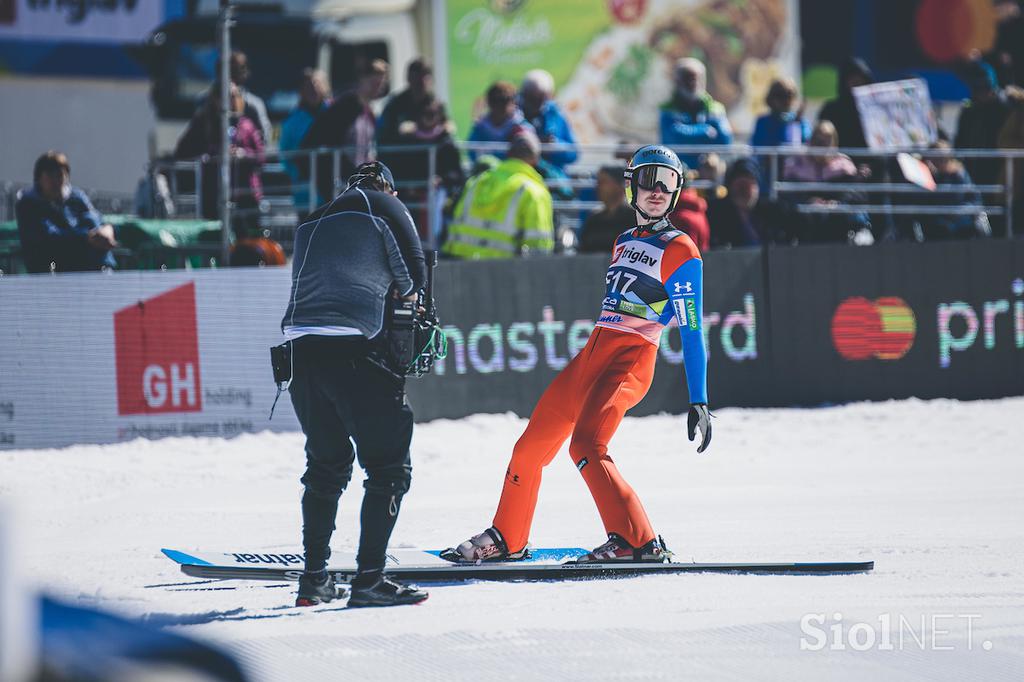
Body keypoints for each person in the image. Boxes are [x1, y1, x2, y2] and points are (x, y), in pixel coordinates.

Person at [444, 144, 712, 564]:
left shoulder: (682, 249)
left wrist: (699, 399)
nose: (657, 190)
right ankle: (508, 536)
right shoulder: (624, 241)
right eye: (647, 180)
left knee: (586, 445)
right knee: (529, 449)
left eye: (668, 182)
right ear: (631, 188)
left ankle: (638, 542)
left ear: (677, 192)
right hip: (593, 356)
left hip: (630, 362)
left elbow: (693, 330)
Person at [280, 161, 428, 608]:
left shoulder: (312, 222)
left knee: (326, 465)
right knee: (388, 469)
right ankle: (369, 580)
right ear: (387, 188)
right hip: (355, 352)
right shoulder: (383, 209)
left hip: (300, 355)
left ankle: (314, 580)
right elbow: (413, 281)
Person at [443, 130, 554, 259]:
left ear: (508, 154)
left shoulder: (478, 181)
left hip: (461, 266)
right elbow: (539, 247)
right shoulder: (535, 192)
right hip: (505, 271)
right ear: (536, 160)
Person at [174, 82, 265, 234]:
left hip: (245, 194)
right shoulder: (203, 123)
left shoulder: (247, 125)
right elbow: (183, 152)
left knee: (248, 239)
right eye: (225, 96)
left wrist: (243, 153)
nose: (231, 100)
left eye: (235, 95)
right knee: (214, 236)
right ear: (215, 99)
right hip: (213, 193)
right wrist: (214, 153)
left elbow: (260, 157)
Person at [302, 59, 390, 206]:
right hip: (338, 185)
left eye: (380, 84)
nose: (377, 89)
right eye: (374, 83)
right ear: (361, 80)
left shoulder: (369, 111)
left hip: (357, 182)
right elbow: (317, 141)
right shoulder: (345, 106)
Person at [380, 95, 465, 246]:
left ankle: (436, 244)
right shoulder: (406, 141)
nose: (428, 118)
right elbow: (398, 169)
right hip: (411, 195)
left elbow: (457, 174)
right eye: (424, 113)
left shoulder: (446, 143)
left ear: (440, 116)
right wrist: (412, 184)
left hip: (437, 197)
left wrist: (441, 180)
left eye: (433, 114)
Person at [15, 151, 118, 273]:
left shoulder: (76, 197)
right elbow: (49, 239)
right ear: (39, 178)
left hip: (84, 265)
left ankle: (106, 270)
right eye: (49, 175)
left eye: (59, 175)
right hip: (51, 267)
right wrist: (86, 238)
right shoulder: (28, 204)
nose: (56, 181)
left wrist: (106, 230)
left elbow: (95, 220)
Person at [782, 120, 871, 244]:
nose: (822, 145)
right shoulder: (796, 164)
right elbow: (787, 194)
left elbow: (856, 195)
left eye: (827, 140)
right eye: (818, 140)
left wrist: (837, 203)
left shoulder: (844, 164)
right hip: (807, 220)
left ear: (834, 143)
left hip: (838, 221)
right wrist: (808, 201)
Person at [659, 58, 733, 167]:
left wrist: (689, 134)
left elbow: (725, 140)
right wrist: (705, 130)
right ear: (678, 81)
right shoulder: (668, 109)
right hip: (677, 169)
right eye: (688, 78)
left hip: (708, 171)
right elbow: (674, 136)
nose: (694, 83)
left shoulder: (715, 108)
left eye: (697, 78)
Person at [279, 69, 331, 219]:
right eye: (308, 86)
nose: (313, 90)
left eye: (316, 84)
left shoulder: (335, 113)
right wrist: (298, 173)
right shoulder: (293, 121)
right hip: (305, 190)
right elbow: (285, 152)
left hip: (333, 186)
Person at [955, 59, 1013, 188]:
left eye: (986, 89)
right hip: (973, 166)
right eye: (978, 89)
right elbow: (960, 139)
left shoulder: (1005, 108)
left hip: (998, 166)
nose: (983, 94)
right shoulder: (969, 110)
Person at [707, 157, 789, 248]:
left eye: (748, 186)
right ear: (730, 187)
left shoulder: (773, 213)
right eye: (739, 185)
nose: (743, 191)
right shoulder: (716, 214)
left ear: (757, 188)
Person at [750, 77, 810, 192]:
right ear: (771, 98)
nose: (785, 100)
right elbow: (759, 150)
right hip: (768, 179)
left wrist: (795, 125)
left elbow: (806, 148)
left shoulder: (801, 122)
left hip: (795, 179)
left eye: (789, 95)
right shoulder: (763, 122)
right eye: (780, 95)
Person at [519, 69, 579, 170]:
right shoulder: (513, 115)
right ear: (523, 94)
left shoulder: (557, 116)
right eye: (531, 98)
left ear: (549, 95)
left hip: (551, 177)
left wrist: (554, 145)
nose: (535, 104)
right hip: (520, 176)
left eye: (540, 98)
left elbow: (573, 154)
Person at [467, 81, 535, 161]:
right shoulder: (480, 127)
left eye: (505, 100)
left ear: (514, 102)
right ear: (489, 102)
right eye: (495, 100)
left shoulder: (522, 127)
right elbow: (472, 153)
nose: (500, 105)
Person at [377, 58, 435, 147]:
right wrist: (399, 129)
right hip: (401, 154)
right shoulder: (395, 104)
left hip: (427, 156)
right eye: (417, 78)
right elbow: (383, 134)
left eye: (425, 77)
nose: (421, 82)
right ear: (409, 78)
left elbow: (445, 128)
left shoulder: (435, 103)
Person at [578, 165, 635, 254]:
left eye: (603, 182)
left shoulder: (633, 219)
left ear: (618, 185)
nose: (598, 186)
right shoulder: (593, 220)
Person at [818, 57, 873, 149]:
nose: (857, 86)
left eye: (861, 82)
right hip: (839, 160)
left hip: (871, 160)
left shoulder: (873, 108)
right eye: (854, 81)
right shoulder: (831, 110)